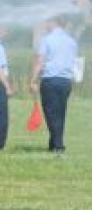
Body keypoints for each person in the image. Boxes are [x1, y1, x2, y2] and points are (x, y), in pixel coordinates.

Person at [30, 16, 78, 154]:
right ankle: (53, 144)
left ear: (54, 23)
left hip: (50, 80)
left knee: (50, 113)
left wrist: (33, 80)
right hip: (66, 81)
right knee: (60, 113)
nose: (46, 24)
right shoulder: (71, 41)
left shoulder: (47, 39)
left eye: (48, 22)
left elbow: (40, 61)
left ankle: (58, 145)